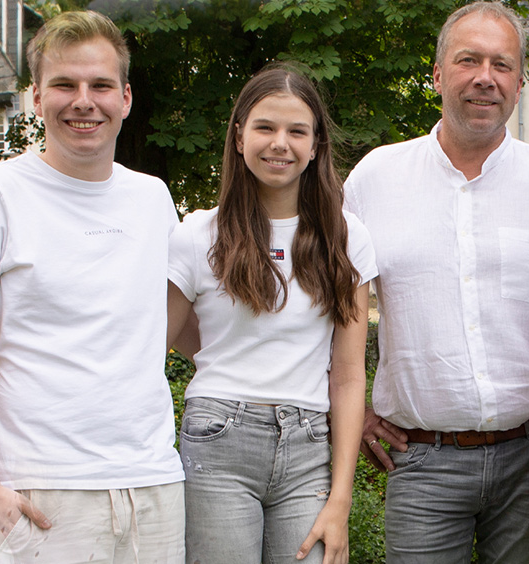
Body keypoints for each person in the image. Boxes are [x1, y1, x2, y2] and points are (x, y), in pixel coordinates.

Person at [0, 10, 186, 563]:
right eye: (65, 85)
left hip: (154, 479)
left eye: (101, 86)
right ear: (37, 97)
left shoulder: (153, 198)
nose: (83, 101)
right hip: (39, 487)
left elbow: (176, 331)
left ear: (127, 98)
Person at [339, 3, 529, 562]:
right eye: (468, 60)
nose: (484, 78)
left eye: (501, 64)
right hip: (423, 463)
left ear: (520, 82)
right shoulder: (375, 178)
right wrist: (356, 411)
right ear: (437, 74)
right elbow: (329, 304)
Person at [166, 63, 376, 564]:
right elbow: (154, 342)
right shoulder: (198, 235)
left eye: (296, 131)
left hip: (308, 449)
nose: (280, 143)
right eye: (265, 127)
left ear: (316, 144)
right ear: (239, 136)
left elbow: (347, 377)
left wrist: (340, 500)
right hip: (217, 442)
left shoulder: (345, 238)